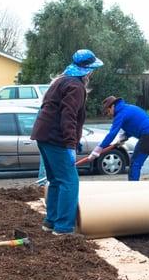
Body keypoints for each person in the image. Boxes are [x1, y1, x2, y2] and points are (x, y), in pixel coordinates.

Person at [31, 49, 103, 235]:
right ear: (88, 70)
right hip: (57, 139)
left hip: (43, 136)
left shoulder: (60, 81)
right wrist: (70, 144)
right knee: (69, 182)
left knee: (55, 180)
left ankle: (50, 222)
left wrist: (74, 140)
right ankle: (63, 227)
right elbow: (68, 116)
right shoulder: (75, 86)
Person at [90, 96, 149, 181]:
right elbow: (135, 125)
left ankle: (133, 187)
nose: (108, 114)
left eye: (108, 111)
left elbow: (112, 133)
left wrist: (99, 148)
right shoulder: (130, 108)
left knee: (135, 163)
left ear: (113, 106)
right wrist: (124, 137)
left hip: (148, 136)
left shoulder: (120, 114)